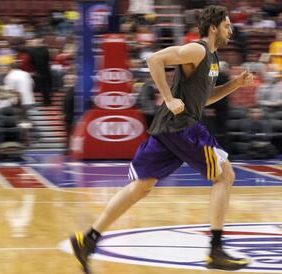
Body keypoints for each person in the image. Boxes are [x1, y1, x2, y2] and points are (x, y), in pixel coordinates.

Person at [70, 5, 254, 274]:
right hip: (182, 126)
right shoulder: (198, 49)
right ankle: (215, 250)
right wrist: (168, 97)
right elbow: (154, 59)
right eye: (227, 25)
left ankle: (87, 240)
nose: (231, 30)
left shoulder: (212, 58)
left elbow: (203, 100)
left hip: (170, 128)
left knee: (140, 188)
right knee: (225, 176)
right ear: (214, 27)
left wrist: (234, 85)